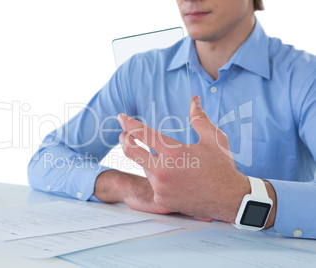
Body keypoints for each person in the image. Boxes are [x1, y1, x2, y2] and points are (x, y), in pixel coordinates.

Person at [28, 0, 316, 238]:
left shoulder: (305, 78)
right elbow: (47, 159)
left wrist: (237, 197)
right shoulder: (140, 73)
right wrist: (130, 188)